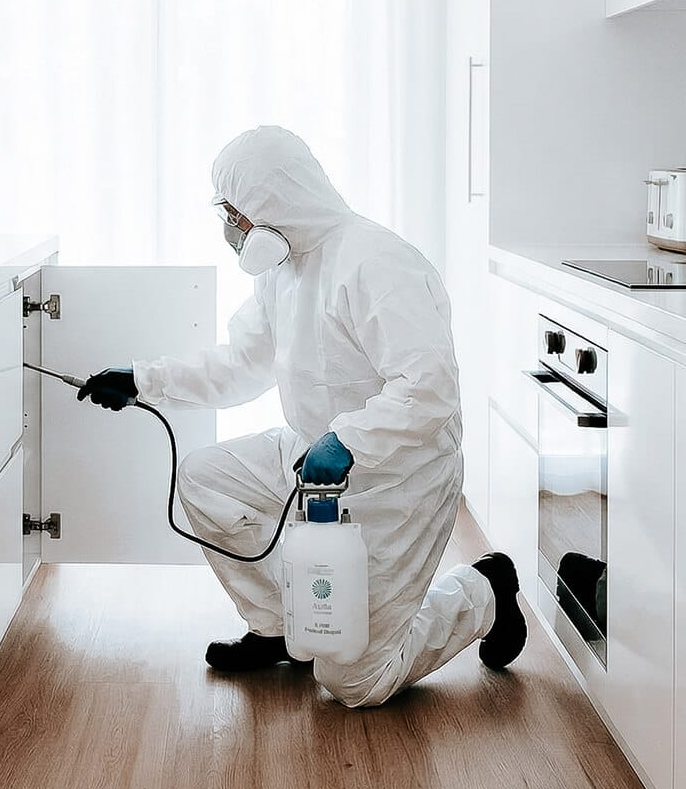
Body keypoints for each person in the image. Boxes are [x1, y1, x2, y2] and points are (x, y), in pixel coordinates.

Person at [75, 125, 526, 708]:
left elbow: (429, 389)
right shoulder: (282, 271)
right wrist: (144, 379)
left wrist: (349, 440)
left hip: (398, 479)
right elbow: (239, 366)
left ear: (270, 202)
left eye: (234, 213)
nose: (231, 228)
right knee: (204, 479)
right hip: (310, 453)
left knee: (355, 682)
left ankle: (483, 591)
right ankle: (280, 629)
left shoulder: (378, 263)